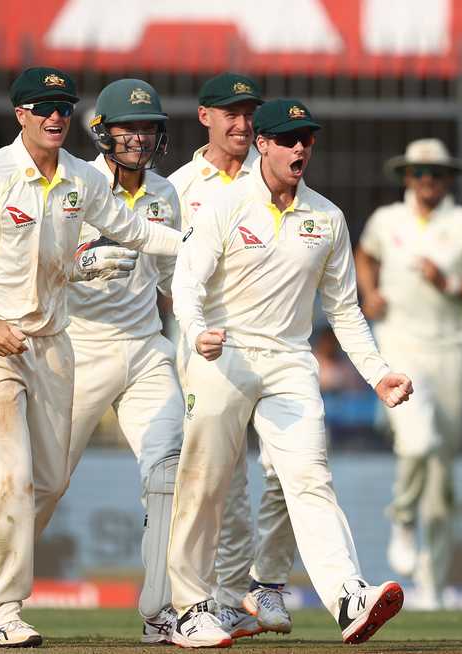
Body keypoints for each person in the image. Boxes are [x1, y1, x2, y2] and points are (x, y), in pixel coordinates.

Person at [0, 67, 183, 648]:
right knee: (16, 478)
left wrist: (198, 247)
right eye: (42, 107)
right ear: (19, 113)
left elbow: (137, 232)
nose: (53, 117)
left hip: (53, 345)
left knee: (46, 482)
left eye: (62, 107)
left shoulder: (78, 180)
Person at [169, 98, 414, 648]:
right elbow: (187, 280)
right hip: (223, 352)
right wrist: (196, 330)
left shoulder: (326, 217)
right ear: (262, 144)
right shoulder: (227, 205)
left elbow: (345, 308)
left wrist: (377, 374)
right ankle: (188, 607)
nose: (299, 148)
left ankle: (349, 596)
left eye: (307, 139)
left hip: (289, 361)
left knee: (309, 478)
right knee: (205, 482)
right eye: (287, 139)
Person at [167, 72, 296, 637]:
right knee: (220, 478)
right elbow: (163, 274)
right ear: (205, 117)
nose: (242, 124)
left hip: (272, 346)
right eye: (230, 113)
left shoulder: (271, 173)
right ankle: (215, 599)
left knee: (287, 466)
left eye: (249, 113)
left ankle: (260, 585)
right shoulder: (176, 187)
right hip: (202, 348)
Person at [356, 138, 462, 609]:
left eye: (436, 173)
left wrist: (451, 282)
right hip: (400, 345)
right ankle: (401, 516)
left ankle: (434, 586)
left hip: (452, 350)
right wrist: (370, 291)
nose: (427, 181)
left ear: (447, 179)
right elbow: (365, 254)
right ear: (407, 177)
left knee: (443, 476)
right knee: (417, 442)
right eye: (420, 173)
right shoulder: (386, 220)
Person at [64, 78, 181, 643]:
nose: (138, 137)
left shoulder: (164, 194)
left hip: (144, 347)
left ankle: (160, 612)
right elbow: (36, 266)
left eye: (147, 127)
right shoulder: (74, 185)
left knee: (168, 473)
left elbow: (172, 282)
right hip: (78, 347)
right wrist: (82, 262)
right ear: (103, 131)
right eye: (127, 127)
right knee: (40, 484)